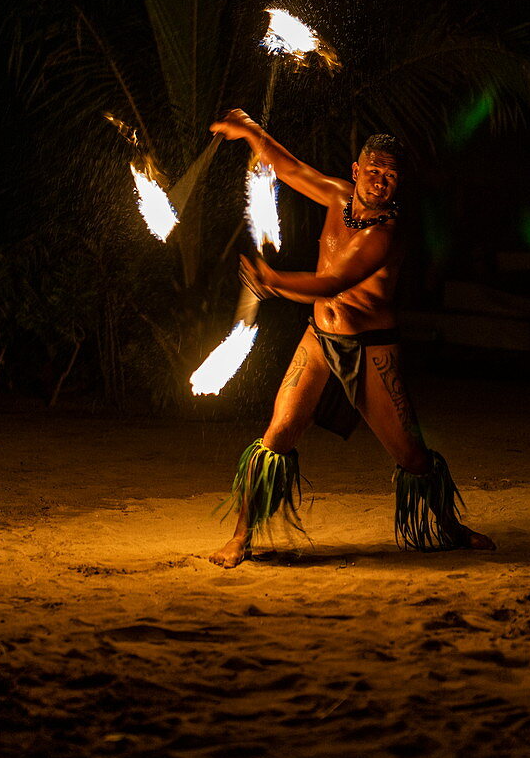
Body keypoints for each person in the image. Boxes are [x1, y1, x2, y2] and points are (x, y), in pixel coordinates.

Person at [209, 109, 495, 568]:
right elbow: (290, 169)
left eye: (392, 176)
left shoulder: (386, 234)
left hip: (371, 348)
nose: (381, 181)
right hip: (319, 340)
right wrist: (250, 131)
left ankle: (450, 528)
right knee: (277, 434)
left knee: (411, 454)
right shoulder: (339, 196)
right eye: (375, 171)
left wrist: (274, 281)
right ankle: (241, 537)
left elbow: (332, 283)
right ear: (356, 171)